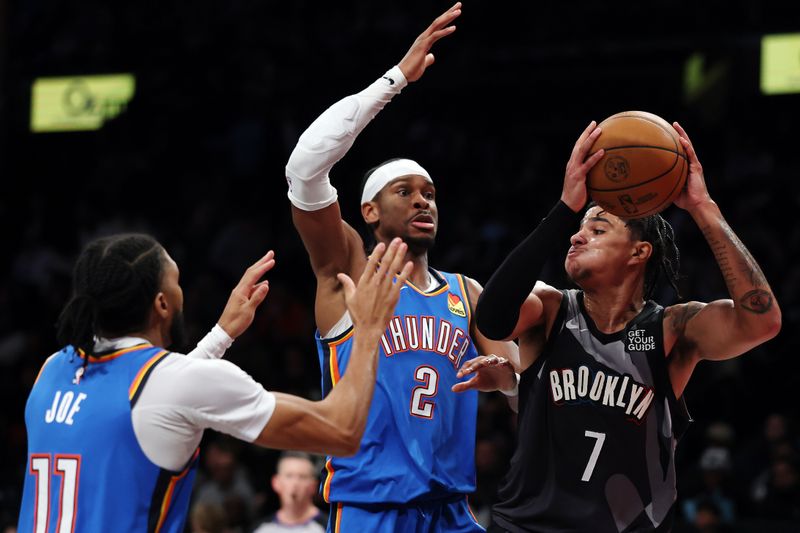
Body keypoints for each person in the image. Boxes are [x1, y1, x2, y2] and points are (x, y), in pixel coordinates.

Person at [460, 121, 782, 531]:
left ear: (639, 251)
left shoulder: (670, 329)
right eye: (577, 230)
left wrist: (703, 207)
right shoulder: (551, 307)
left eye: (596, 229)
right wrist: (564, 209)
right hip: (527, 525)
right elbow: (491, 317)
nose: (576, 238)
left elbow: (762, 321)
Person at [284, 3, 516, 531]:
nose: (422, 202)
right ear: (369, 211)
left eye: (430, 194)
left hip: (453, 511)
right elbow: (303, 168)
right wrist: (395, 80)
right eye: (405, 191)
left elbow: (521, 386)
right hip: (371, 510)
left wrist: (507, 381)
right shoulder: (347, 272)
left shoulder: (467, 291)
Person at [17, 232, 411, 532]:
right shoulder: (172, 384)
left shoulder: (51, 370)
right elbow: (341, 431)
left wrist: (221, 335)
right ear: (162, 304)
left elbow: (153, 404)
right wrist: (368, 331)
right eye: (177, 282)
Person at [252, 451, 328, 533]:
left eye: (302, 477)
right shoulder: (261, 529)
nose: (295, 483)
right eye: (289, 476)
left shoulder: (328, 527)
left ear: (314, 486)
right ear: (276, 483)